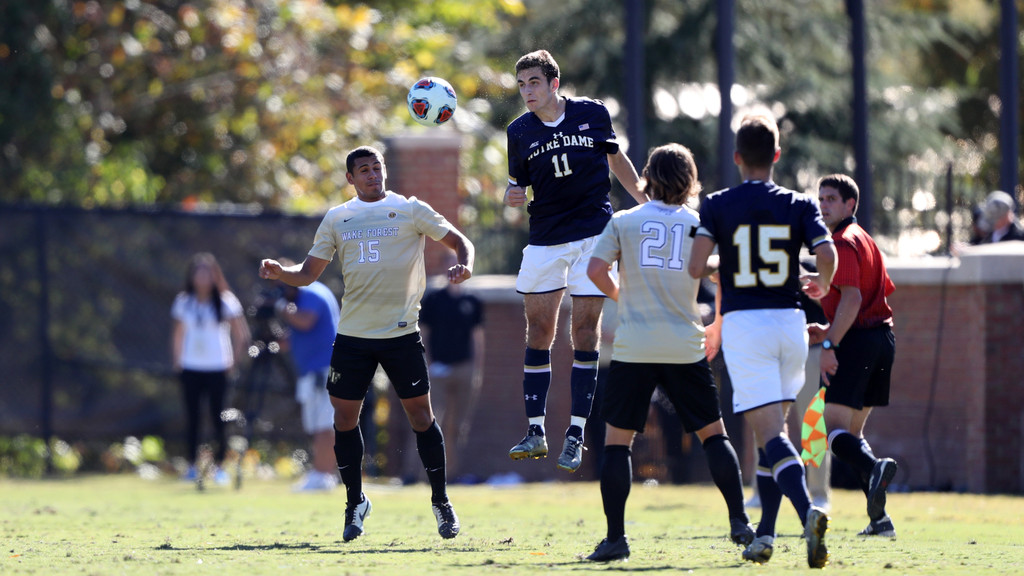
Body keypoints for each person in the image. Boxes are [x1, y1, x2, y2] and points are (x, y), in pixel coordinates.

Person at [258, 146, 474, 542]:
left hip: (400, 334)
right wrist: (280, 272)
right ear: (350, 179)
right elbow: (308, 273)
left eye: (377, 168)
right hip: (353, 337)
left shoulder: (411, 209)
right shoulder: (338, 217)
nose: (373, 175)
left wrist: (466, 263)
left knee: (422, 418)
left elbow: (460, 241)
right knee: (343, 419)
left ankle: (441, 501)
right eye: (364, 170)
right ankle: (355, 501)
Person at [584, 143, 753, 562]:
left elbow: (594, 271)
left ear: (647, 176)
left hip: (635, 345)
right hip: (684, 343)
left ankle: (616, 539)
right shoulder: (699, 223)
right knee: (714, 435)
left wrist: (621, 295)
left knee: (617, 444)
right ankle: (739, 522)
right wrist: (717, 322)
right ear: (690, 181)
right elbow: (725, 271)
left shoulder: (624, 220)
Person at [688, 114, 837, 569]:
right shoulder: (796, 202)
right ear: (776, 155)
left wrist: (721, 265)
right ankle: (766, 535)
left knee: (769, 434)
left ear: (737, 158)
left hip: (747, 326)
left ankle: (808, 510)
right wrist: (823, 285)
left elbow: (696, 266)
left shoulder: (716, 204)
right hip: (791, 322)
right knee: (776, 432)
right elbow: (826, 254)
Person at [503, 49, 647, 473]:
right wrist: (512, 197)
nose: (527, 91)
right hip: (547, 237)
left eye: (533, 82)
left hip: (594, 235)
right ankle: (535, 430)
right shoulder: (518, 132)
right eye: (521, 85)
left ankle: (576, 434)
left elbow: (614, 157)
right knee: (540, 329)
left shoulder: (593, 113)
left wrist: (645, 200)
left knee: (586, 332)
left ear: (553, 84)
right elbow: (517, 190)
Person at [806, 174, 899, 537]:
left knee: (830, 429)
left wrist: (830, 345)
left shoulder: (842, 241)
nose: (824, 204)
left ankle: (875, 467)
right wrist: (829, 331)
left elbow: (853, 300)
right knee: (853, 435)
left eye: (831, 198)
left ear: (850, 205)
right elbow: (862, 299)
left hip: (858, 342)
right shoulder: (865, 240)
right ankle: (880, 520)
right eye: (821, 198)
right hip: (881, 340)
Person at [171, 252, 250, 486]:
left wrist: (233, 362)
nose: (203, 277)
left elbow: (242, 334)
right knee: (193, 417)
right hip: (190, 368)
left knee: (219, 418)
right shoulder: (184, 301)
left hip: (218, 369)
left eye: (208, 272)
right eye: (199, 272)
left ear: (215, 275)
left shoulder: (226, 300)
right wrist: (178, 361)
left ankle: (219, 466)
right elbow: (177, 334)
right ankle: (193, 466)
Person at [274, 268, 342, 492]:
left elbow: (305, 321)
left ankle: (323, 475)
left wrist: (280, 309)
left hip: (325, 369)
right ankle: (320, 473)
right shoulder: (301, 298)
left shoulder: (311, 292)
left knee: (325, 425)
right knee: (316, 425)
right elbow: (297, 336)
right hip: (312, 372)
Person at [419, 252, 485, 479]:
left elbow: (478, 338)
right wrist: (427, 363)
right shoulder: (433, 299)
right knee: (431, 420)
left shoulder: (472, 300)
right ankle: (419, 473)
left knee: (458, 425)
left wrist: (477, 369)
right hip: (436, 369)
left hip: (464, 367)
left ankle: (452, 473)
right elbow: (424, 333)